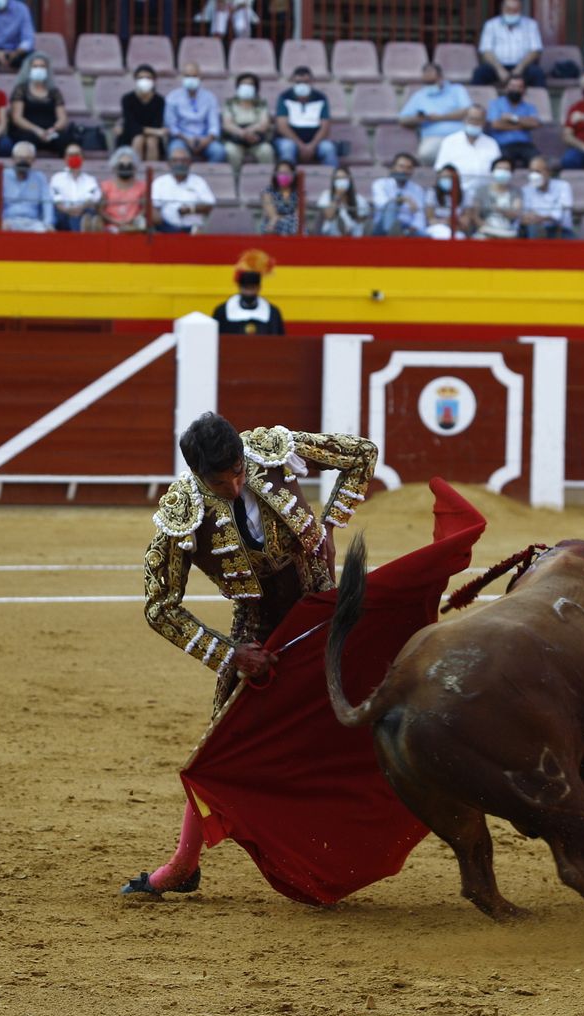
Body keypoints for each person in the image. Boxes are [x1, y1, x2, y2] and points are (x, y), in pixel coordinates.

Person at [123, 412, 377, 897]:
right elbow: (159, 607)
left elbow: (361, 454)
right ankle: (182, 866)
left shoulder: (269, 449)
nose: (237, 485)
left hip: (325, 610)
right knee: (218, 750)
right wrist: (231, 654)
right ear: (199, 477)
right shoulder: (183, 510)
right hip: (259, 635)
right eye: (222, 482)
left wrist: (330, 525)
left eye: (239, 471)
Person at [398, 62, 471, 166]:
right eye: (427, 83)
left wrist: (440, 118)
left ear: (441, 77)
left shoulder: (457, 90)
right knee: (425, 154)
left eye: (432, 82)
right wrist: (419, 119)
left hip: (459, 135)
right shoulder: (419, 96)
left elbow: (467, 111)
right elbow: (403, 119)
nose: (429, 85)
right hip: (433, 138)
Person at [273, 65, 336, 168]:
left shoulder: (321, 98)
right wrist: (301, 146)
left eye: (306, 82)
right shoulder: (285, 97)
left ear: (312, 82)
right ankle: (287, 181)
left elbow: (325, 126)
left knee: (328, 148)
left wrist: (312, 146)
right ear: (293, 81)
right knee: (287, 147)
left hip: (315, 141)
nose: (302, 85)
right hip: (290, 140)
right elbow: (282, 126)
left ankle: (331, 180)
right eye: (298, 82)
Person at [7, 51, 68, 156]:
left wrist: (53, 129)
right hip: (28, 131)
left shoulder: (54, 92)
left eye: (42, 66)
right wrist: (37, 130)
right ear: (29, 69)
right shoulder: (21, 90)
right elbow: (17, 118)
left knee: (66, 141)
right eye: (35, 66)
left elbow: (62, 118)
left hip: (50, 131)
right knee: (26, 143)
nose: (39, 69)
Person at [473, 0, 544, 89]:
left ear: (520, 10)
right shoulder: (491, 25)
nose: (512, 13)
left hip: (523, 65)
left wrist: (520, 68)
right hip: (497, 65)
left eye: (515, 10)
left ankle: (539, 102)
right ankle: (477, 102)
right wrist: (499, 69)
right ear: (502, 9)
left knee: (537, 73)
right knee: (480, 73)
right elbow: (486, 50)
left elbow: (535, 50)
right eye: (509, 10)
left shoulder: (531, 25)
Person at [211, 250, 285, 334]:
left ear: (259, 288)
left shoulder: (272, 312)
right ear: (239, 288)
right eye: (246, 288)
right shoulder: (222, 311)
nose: (249, 293)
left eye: (252, 288)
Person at [0, 138, 52, 231]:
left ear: (33, 160)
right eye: (20, 158)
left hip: (33, 222)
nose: (23, 162)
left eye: (27, 158)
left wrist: (48, 223)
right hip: (8, 220)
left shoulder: (40, 178)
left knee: (46, 232)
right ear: (13, 159)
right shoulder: (1, 176)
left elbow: (47, 202)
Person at [433, 104, 500, 194]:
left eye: (478, 120)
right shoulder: (449, 141)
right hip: (457, 194)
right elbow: (441, 170)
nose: (474, 123)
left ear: (484, 122)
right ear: (464, 120)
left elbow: (497, 171)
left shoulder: (492, 143)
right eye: (471, 119)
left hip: (485, 196)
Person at [164, 61, 223, 163]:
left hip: (205, 139)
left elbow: (214, 126)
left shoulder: (210, 97)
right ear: (182, 77)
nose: (191, 79)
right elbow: (171, 126)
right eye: (187, 76)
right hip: (181, 138)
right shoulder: (173, 97)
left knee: (219, 151)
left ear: (200, 78)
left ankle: (208, 177)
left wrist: (206, 140)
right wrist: (187, 140)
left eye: (194, 76)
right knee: (175, 151)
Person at [150, 143, 215, 233]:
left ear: (190, 163)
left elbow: (209, 204)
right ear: (169, 163)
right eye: (175, 160)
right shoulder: (159, 183)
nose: (179, 164)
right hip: (166, 232)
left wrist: (190, 209)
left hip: (193, 232)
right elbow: (153, 208)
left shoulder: (199, 182)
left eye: (183, 160)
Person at [221, 71, 272, 178]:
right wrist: (243, 134)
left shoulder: (261, 103)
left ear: (256, 88)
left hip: (256, 139)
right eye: (243, 84)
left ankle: (268, 182)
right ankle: (234, 182)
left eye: (250, 85)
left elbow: (264, 124)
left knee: (266, 150)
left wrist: (249, 132)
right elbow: (227, 124)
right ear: (238, 87)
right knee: (230, 151)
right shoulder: (230, 103)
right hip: (236, 139)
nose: (246, 87)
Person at [486, 73, 540, 168]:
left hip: (525, 145)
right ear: (506, 88)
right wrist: (522, 125)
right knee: (504, 165)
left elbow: (535, 123)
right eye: (513, 86)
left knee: (538, 162)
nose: (516, 89)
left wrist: (512, 118)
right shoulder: (496, 104)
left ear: (524, 90)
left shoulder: (529, 107)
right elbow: (496, 125)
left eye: (519, 87)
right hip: (503, 145)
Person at [370, 151, 426, 236]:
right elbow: (382, 204)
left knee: (426, 236)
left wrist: (415, 227)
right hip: (383, 227)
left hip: (408, 228)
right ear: (393, 168)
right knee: (391, 205)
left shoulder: (417, 189)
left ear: (412, 171)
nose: (404, 171)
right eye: (401, 167)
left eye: (409, 168)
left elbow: (419, 215)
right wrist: (402, 200)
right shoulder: (380, 184)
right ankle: (393, 233)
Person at [121, 63, 168, 163]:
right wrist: (155, 131)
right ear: (135, 80)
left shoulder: (160, 101)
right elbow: (131, 125)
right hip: (131, 136)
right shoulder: (127, 99)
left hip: (153, 138)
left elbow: (157, 123)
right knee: (138, 139)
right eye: (140, 78)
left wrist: (154, 132)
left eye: (148, 77)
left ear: (154, 80)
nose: (144, 81)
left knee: (151, 141)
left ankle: (152, 174)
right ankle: (135, 173)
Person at [49, 142, 100, 232]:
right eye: (71, 155)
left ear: (82, 158)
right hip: (63, 214)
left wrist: (79, 209)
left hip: (83, 212)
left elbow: (93, 199)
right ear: (65, 158)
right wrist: (69, 211)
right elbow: (57, 201)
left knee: (88, 215)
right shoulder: (57, 178)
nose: (74, 157)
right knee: (60, 216)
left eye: (77, 155)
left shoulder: (90, 180)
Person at [519, 155, 572, 238]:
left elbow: (559, 215)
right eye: (531, 172)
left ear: (548, 172)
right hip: (534, 230)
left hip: (559, 231)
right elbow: (525, 215)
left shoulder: (563, 186)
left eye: (538, 172)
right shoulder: (526, 189)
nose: (534, 175)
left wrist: (540, 218)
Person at [100, 146, 150, 233]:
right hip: (110, 228)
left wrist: (133, 220)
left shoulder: (142, 186)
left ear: (134, 167)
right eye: (121, 165)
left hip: (134, 229)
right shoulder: (105, 186)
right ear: (115, 166)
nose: (125, 167)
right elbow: (101, 210)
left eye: (129, 165)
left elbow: (146, 208)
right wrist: (115, 221)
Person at [316, 165, 370, 236]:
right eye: (338, 178)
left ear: (349, 180)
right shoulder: (326, 195)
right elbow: (329, 215)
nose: (341, 181)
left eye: (344, 178)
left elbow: (361, 220)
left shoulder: (359, 199)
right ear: (333, 181)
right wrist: (337, 196)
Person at [473, 161, 521, 239]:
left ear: (511, 173)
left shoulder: (516, 192)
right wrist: (485, 228)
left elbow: (515, 214)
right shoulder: (481, 191)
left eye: (506, 169)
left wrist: (500, 210)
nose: (503, 172)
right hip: (486, 230)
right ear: (492, 171)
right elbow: (475, 215)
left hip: (508, 232)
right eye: (499, 169)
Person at [258, 158, 298, 236]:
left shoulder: (300, 192)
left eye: (287, 173)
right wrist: (284, 219)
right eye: (281, 173)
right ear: (275, 175)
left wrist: (284, 219)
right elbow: (273, 216)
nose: (284, 176)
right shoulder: (267, 191)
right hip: (274, 224)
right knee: (278, 225)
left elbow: (298, 216)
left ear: (293, 175)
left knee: (296, 226)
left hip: (293, 224)